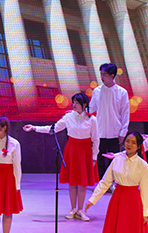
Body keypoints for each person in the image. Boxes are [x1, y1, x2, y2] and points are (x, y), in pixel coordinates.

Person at [23, 92, 99, 221]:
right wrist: (34, 128)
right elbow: (53, 129)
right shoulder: (68, 117)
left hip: (85, 152)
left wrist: (94, 157)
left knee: (82, 182)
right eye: (73, 102)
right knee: (72, 181)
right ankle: (72, 209)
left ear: (84, 104)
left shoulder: (92, 120)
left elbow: (96, 139)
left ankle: (80, 210)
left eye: (77, 103)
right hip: (72, 151)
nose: (74, 105)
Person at [90, 63, 130, 185]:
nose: (102, 77)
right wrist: (77, 111)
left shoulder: (122, 92)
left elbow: (125, 113)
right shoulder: (97, 91)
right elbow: (91, 108)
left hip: (114, 131)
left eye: (104, 75)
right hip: (100, 131)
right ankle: (102, 183)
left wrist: (123, 132)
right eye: (101, 74)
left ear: (112, 76)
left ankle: (112, 183)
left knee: (114, 159)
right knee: (100, 159)